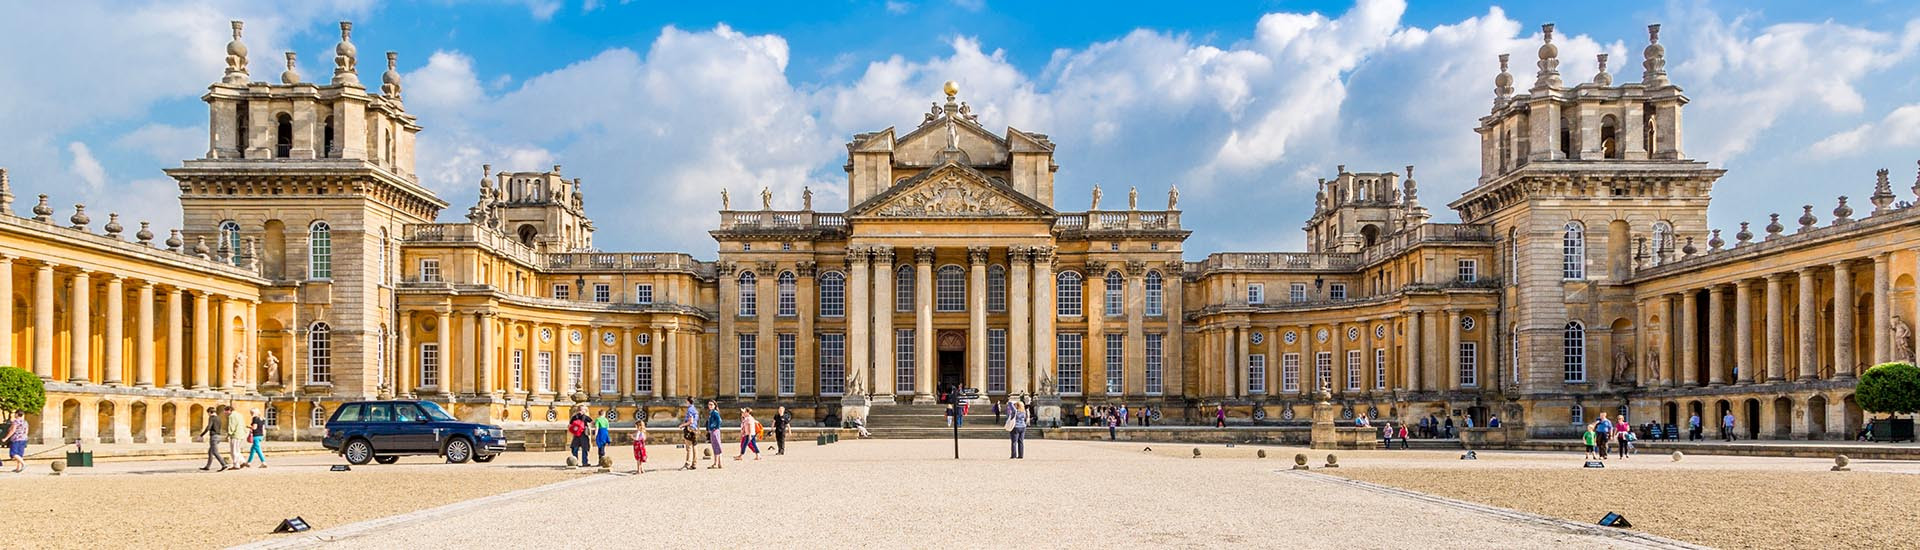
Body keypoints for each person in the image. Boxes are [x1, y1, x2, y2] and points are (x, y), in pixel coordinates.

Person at [679, 397, 700, 470]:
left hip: (689, 429)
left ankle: (688, 464)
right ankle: (694, 464)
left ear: (688, 401)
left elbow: (690, 421)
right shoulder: (695, 409)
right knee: (694, 446)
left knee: (689, 447)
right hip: (694, 429)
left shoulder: (690, 409)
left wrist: (682, 425)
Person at [705, 400, 724, 469]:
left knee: (716, 446)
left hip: (714, 431)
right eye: (709, 404)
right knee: (717, 446)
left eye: (711, 404)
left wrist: (713, 427)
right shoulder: (712, 412)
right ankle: (719, 463)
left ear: (714, 405)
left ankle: (716, 463)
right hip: (714, 431)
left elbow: (719, 420)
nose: (710, 406)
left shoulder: (714, 412)